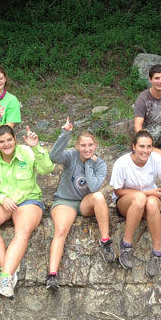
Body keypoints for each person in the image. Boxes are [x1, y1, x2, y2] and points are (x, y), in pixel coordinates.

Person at [0, 125, 55, 299]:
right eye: (2, 141)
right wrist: (2, 198)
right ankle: (10, 271)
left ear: (15, 139)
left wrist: (36, 147)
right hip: (4, 201)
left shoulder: (27, 152)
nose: (6, 144)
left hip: (28, 199)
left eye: (9, 140)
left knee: (23, 230)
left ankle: (5, 277)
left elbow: (47, 169)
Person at [45, 117, 114, 290]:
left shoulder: (100, 164)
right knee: (61, 230)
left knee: (98, 196)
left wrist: (89, 164)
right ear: (77, 146)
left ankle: (105, 241)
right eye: (83, 145)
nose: (87, 149)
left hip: (85, 203)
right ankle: (52, 275)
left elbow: (93, 186)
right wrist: (65, 134)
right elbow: (54, 157)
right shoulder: (70, 155)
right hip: (65, 201)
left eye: (90, 145)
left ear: (95, 146)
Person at [109, 130, 161, 277]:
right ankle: (126, 244)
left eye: (149, 146)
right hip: (127, 202)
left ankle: (157, 252)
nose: (146, 150)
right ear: (133, 146)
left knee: (152, 203)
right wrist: (148, 193)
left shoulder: (156, 159)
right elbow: (118, 191)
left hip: (149, 202)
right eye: (142, 146)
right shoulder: (122, 163)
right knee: (140, 198)